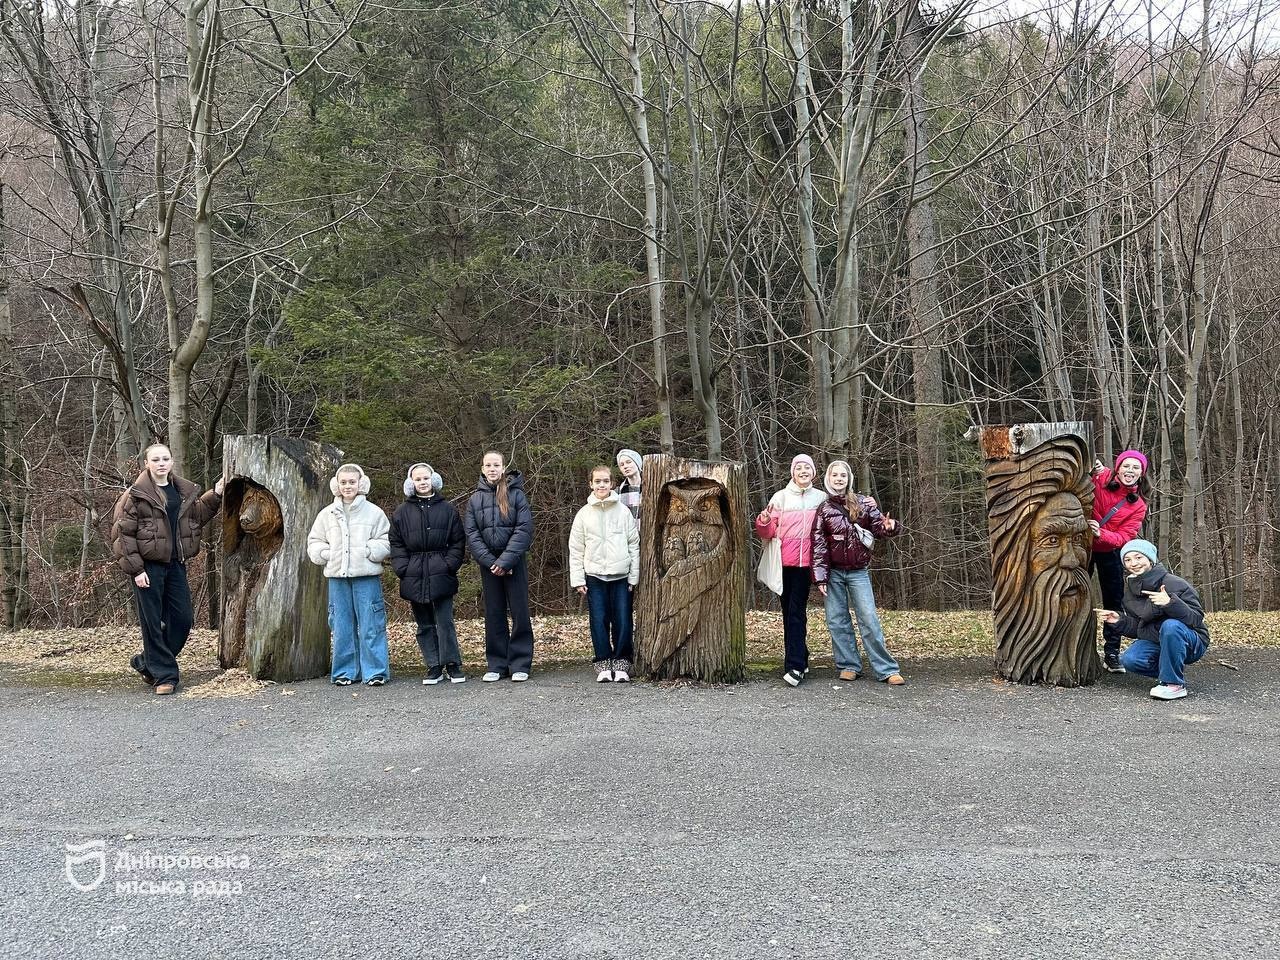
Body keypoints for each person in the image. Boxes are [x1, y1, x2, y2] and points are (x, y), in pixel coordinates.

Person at [111, 443, 224, 696]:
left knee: (183, 619)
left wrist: (216, 494)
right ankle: (165, 675)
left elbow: (197, 516)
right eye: (156, 459)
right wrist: (136, 570)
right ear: (147, 464)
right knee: (152, 623)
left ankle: (145, 662)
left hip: (175, 564)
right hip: (147, 567)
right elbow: (122, 535)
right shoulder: (136, 495)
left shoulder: (181, 491)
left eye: (165, 459)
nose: (161, 463)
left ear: (171, 462)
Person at [811, 460, 906, 686]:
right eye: (835, 475)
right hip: (833, 573)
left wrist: (890, 526)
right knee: (837, 620)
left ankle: (886, 669)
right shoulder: (824, 510)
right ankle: (848, 665)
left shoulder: (863, 503)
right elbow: (818, 545)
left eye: (843, 475)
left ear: (849, 479)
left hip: (858, 572)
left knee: (869, 618)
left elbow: (879, 526)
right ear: (828, 479)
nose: (839, 478)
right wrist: (820, 576)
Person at [307, 463, 392, 686]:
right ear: (337, 485)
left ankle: (375, 672)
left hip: (366, 577)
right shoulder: (326, 514)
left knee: (371, 625)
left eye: (352, 482)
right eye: (343, 482)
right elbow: (314, 542)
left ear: (360, 483)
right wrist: (327, 553)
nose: (348, 486)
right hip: (337, 578)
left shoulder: (374, 512)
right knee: (341, 626)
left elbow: (386, 541)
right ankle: (345, 672)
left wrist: (367, 552)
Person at [1100, 539, 1210, 701]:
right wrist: (1120, 621)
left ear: (1150, 559)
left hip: (1192, 641)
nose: (1134, 563)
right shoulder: (1129, 592)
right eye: (1127, 560)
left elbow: (1196, 618)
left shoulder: (1175, 583)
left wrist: (1170, 603)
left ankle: (1174, 684)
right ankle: (1172, 670)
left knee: (1170, 626)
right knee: (1130, 660)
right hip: (1158, 641)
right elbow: (1140, 628)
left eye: (1138, 558)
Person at [389, 462, 466, 686]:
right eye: (418, 479)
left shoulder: (447, 509)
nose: (422, 482)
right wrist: (403, 568)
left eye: (426, 478)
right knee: (424, 624)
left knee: (445, 622)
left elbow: (457, 541)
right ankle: (433, 665)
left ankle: (452, 663)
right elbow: (396, 542)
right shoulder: (402, 512)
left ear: (433, 480)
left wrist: (449, 564)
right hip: (413, 573)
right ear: (410, 483)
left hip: (441, 571)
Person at [754, 453, 826, 687]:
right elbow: (767, 532)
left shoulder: (821, 498)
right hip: (784, 564)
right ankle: (801, 657)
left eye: (807, 468)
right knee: (790, 612)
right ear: (792, 473)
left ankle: (794, 665)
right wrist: (764, 521)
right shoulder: (781, 497)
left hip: (807, 564)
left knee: (796, 611)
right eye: (799, 468)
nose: (803, 471)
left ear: (813, 473)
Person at [464, 450, 535, 682]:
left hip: (514, 562)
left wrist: (506, 561)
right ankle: (497, 664)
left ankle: (520, 663)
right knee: (493, 613)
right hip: (488, 564)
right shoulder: (475, 499)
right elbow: (472, 533)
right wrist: (491, 562)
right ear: (482, 468)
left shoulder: (516, 495)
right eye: (488, 465)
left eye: (496, 465)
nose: (492, 469)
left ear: (503, 468)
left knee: (519, 611)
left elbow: (523, 530)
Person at [569, 465, 640, 683]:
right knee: (598, 620)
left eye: (606, 481)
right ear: (591, 484)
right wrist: (578, 579)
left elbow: (633, 545)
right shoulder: (584, 514)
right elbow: (576, 548)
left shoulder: (623, 511)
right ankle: (602, 662)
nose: (602, 485)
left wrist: (633, 577)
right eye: (597, 481)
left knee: (622, 619)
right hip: (594, 576)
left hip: (620, 576)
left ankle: (621, 662)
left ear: (612, 484)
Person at [1090, 449, 1150, 673]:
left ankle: (1112, 652)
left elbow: (1126, 537)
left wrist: (1101, 534)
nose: (1130, 471)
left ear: (1141, 474)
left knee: (1113, 602)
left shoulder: (1138, 505)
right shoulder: (1101, 477)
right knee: (1071, 592)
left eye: (1136, 468)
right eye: (1126, 466)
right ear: (1118, 467)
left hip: (1110, 550)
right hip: (1081, 546)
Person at [616, 449, 644, 520]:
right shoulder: (617, 493)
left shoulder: (651, 486)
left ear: (637, 463)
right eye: (621, 465)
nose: (625, 466)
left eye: (628, 462)